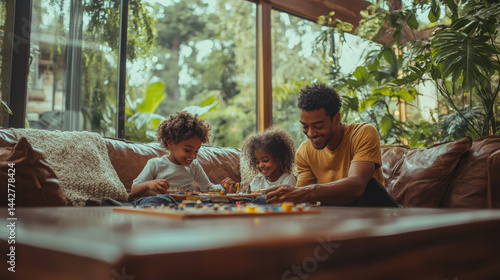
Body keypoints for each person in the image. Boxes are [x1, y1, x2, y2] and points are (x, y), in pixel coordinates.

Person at [266, 83, 399, 207]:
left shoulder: (362, 133)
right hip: (338, 216)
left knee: (370, 184)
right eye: (305, 126)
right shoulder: (305, 151)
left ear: (336, 118)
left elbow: (357, 187)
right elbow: (304, 200)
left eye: (318, 126)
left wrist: (306, 192)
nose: (311, 133)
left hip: (374, 210)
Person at [131, 111, 225, 206]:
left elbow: (208, 187)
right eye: (187, 150)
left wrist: (224, 187)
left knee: (213, 199)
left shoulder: (194, 166)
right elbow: (134, 190)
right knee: (160, 200)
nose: (193, 156)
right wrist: (148, 185)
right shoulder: (155, 164)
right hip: (163, 201)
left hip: (187, 202)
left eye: (196, 151)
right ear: (170, 143)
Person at [224, 127, 297, 192]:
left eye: (265, 160)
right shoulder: (258, 180)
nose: (261, 165)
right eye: (257, 162)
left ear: (279, 158)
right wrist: (234, 192)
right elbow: (249, 199)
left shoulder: (288, 179)